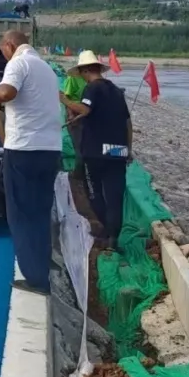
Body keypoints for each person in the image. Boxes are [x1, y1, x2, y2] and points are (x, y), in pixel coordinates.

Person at [0, 29, 63, 295]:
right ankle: (43, 261)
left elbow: (7, 92)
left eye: (2, 49)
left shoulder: (18, 63)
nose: (3, 54)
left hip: (24, 151)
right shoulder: (47, 70)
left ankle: (35, 279)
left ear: (9, 45)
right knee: (40, 210)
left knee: (20, 213)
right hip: (50, 150)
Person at [59, 50, 132, 250]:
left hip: (96, 152)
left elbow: (85, 109)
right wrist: (129, 149)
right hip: (117, 150)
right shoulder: (116, 91)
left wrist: (64, 100)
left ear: (85, 70)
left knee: (93, 191)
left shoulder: (91, 89)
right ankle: (114, 236)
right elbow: (127, 123)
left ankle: (107, 231)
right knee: (115, 194)